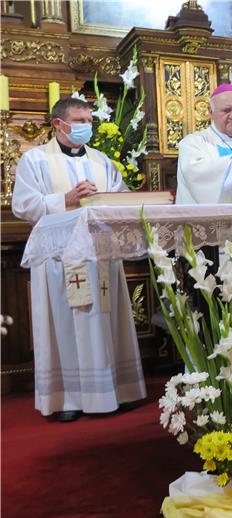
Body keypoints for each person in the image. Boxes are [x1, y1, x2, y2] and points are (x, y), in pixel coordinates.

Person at [11, 97, 146, 422]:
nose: (87, 126)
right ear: (59, 124)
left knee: (104, 321)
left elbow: (121, 198)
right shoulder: (36, 160)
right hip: (60, 259)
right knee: (67, 324)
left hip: (100, 255)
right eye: (79, 120)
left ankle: (116, 389)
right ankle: (68, 398)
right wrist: (67, 199)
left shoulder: (102, 161)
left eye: (89, 120)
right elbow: (24, 204)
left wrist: (108, 200)